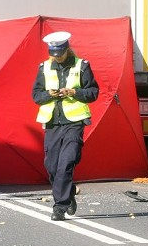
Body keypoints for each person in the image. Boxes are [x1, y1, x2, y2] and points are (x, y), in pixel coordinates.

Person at [31, 31, 99, 221]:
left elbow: (93, 92)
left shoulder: (82, 65)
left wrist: (74, 92)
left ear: (67, 50)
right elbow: (36, 96)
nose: (57, 58)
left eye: (59, 54)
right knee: (52, 166)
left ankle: (59, 207)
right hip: (52, 122)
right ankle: (68, 196)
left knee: (66, 163)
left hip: (74, 122)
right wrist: (49, 95)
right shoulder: (44, 67)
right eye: (53, 54)